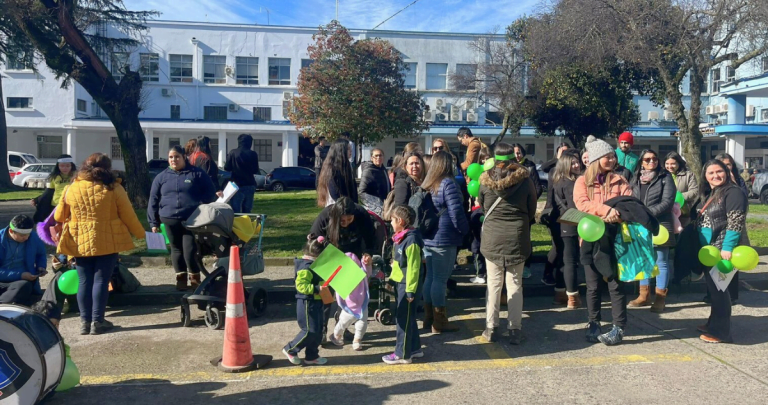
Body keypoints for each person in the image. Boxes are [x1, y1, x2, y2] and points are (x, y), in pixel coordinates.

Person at [55, 153, 145, 335]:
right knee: (101, 281)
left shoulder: (72, 188)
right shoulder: (114, 188)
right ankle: (98, 321)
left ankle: (84, 323)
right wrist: (142, 235)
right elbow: (129, 216)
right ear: (107, 168)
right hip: (107, 240)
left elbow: (59, 216)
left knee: (84, 281)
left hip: (79, 240)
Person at [574, 136, 632, 346]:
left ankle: (618, 327)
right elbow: (582, 204)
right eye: (606, 156)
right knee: (592, 286)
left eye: (612, 156)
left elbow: (629, 204)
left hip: (615, 240)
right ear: (596, 158)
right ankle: (593, 322)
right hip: (590, 239)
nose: (611, 160)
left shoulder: (621, 180)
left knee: (616, 285)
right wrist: (607, 211)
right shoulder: (582, 181)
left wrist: (616, 215)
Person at [477, 143, 537, 344]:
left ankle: (491, 327)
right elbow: (531, 208)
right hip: (517, 235)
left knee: (493, 283)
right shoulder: (525, 180)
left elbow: (484, 206)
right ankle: (515, 329)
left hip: (493, 236)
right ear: (514, 159)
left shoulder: (485, 180)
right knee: (515, 284)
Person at [149, 146, 218, 291]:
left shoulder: (196, 173)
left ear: (184, 157)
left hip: (191, 221)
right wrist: (153, 222)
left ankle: (195, 280)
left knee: (190, 250)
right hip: (169, 219)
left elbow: (210, 193)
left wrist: (201, 205)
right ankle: (180, 279)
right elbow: (153, 200)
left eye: (177, 157)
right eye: (171, 157)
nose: (174, 160)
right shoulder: (161, 177)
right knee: (176, 250)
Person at [696, 160, 747, 343]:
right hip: (710, 250)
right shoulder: (714, 192)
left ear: (727, 171)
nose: (716, 175)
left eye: (719, 171)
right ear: (705, 176)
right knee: (714, 289)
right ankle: (712, 323)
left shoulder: (733, 192)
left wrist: (727, 248)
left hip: (721, 250)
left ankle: (722, 332)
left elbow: (735, 222)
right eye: (711, 173)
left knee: (719, 290)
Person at [309, 197, 376, 339]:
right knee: (326, 295)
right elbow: (313, 239)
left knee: (347, 296)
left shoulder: (361, 214)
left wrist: (368, 254)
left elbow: (371, 238)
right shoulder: (326, 215)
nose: (345, 223)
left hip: (352, 256)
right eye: (342, 221)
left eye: (349, 220)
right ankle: (321, 330)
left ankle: (342, 328)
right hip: (330, 256)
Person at [420, 151, 469, 334]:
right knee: (440, 280)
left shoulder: (428, 183)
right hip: (445, 236)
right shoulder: (448, 183)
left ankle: (429, 317)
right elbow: (456, 212)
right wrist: (464, 230)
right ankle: (439, 321)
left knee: (430, 277)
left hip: (429, 236)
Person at [628, 149, 676, 313]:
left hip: (660, 224)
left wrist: (647, 214)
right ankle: (644, 295)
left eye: (655, 159)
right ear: (641, 162)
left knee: (660, 261)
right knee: (643, 260)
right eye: (647, 159)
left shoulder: (665, 177)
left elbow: (668, 202)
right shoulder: (636, 178)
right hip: (639, 224)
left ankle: (660, 298)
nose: (651, 162)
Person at [383, 205, 425, 364]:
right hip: (401, 283)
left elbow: (414, 268)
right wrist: (392, 281)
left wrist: (410, 292)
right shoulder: (400, 237)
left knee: (402, 320)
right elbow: (399, 264)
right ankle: (414, 348)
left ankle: (402, 354)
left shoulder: (411, 240)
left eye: (393, 220)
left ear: (400, 221)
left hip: (408, 286)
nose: (391, 223)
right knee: (409, 318)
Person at [283, 235, 329, 366]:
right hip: (307, 303)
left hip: (316, 301)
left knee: (319, 329)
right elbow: (301, 286)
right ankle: (290, 349)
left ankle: (312, 355)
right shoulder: (306, 268)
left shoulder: (315, 265)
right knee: (310, 330)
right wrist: (316, 288)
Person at [552, 151, 583, 309]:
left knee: (562, 260)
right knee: (571, 261)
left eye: (577, 162)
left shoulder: (558, 181)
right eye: (573, 163)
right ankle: (573, 297)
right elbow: (574, 206)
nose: (577, 165)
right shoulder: (571, 183)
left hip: (561, 222)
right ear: (565, 165)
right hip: (571, 221)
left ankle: (560, 293)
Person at [539, 143, 570, 287]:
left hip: (568, 213)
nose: (564, 154)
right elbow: (544, 167)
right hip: (554, 211)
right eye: (561, 151)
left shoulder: (572, 170)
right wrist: (557, 158)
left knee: (562, 246)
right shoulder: (554, 170)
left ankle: (559, 275)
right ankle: (548, 273)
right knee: (557, 246)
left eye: (567, 152)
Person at [0, 215, 46, 305]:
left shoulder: (33, 237)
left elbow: (41, 254)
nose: (26, 238)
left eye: (28, 234)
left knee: (24, 286)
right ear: (11, 231)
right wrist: (20, 275)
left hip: (21, 283)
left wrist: (41, 266)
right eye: (22, 235)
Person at [329, 252, 370, 351]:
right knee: (343, 322)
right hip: (349, 305)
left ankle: (357, 340)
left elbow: (367, 272)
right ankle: (336, 335)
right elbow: (338, 291)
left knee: (362, 323)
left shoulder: (360, 273)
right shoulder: (342, 276)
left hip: (362, 304)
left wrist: (366, 263)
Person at [32, 154, 76, 223]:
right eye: (62, 166)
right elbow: (49, 191)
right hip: (56, 205)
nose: (65, 168)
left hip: (72, 204)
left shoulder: (77, 176)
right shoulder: (54, 177)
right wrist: (37, 199)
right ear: (58, 166)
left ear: (71, 166)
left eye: (67, 166)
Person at [224, 134, 260, 214]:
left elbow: (227, 168)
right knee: (247, 211)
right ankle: (246, 225)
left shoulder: (233, 152)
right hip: (249, 183)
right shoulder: (253, 154)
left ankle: (237, 225)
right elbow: (255, 170)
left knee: (236, 211)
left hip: (236, 185)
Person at [317, 140, 359, 207]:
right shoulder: (332, 169)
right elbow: (335, 194)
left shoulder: (347, 167)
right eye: (348, 149)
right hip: (336, 208)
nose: (351, 151)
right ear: (340, 151)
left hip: (348, 206)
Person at [665, 151, 699, 228]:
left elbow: (694, 191)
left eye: (673, 163)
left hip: (683, 213)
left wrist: (677, 197)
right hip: (665, 213)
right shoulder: (662, 175)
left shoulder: (688, 175)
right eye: (667, 164)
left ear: (679, 163)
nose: (670, 166)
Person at [358, 148, 390, 215]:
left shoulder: (383, 170)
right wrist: (376, 204)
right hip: (373, 210)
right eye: (376, 156)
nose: (378, 157)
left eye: (380, 155)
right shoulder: (368, 171)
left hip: (385, 207)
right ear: (372, 158)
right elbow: (362, 191)